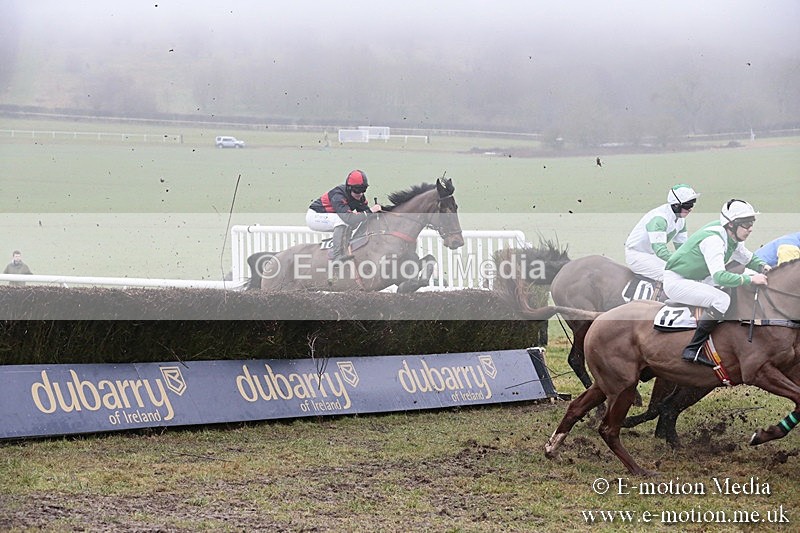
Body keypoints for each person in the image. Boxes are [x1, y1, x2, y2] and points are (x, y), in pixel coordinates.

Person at [663, 199, 770, 367]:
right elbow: (719, 276)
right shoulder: (714, 240)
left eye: (752, 223)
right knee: (722, 300)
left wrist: (764, 267)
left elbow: (747, 258)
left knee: (745, 276)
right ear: (732, 224)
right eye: (746, 224)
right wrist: (750, 279)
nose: (750, 228)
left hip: (698, 277)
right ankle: (692, 349)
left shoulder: (731, 235)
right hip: (678, 281)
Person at [624, 184, 699, 282]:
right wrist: (683, 263)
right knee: (673, 276)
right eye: (687, 205)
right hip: (637, 255)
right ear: (676, 205)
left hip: (651, 254)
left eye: (692, 205)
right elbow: (661, 251)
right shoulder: (659, 219)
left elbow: (683, 248)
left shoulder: (681, 220)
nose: (690, 209)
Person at [307, 170, 382, 262]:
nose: (360, 194)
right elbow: (348, 219)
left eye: (363, 190)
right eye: (357, 190)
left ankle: (347, 245)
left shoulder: (360, 197)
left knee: (358, 220)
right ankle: (337, 256)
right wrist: (370, 210)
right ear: (349, 188)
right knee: (343, 221)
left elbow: (366, 215)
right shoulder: (338, 196)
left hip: (330, 216)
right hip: (315, 216)